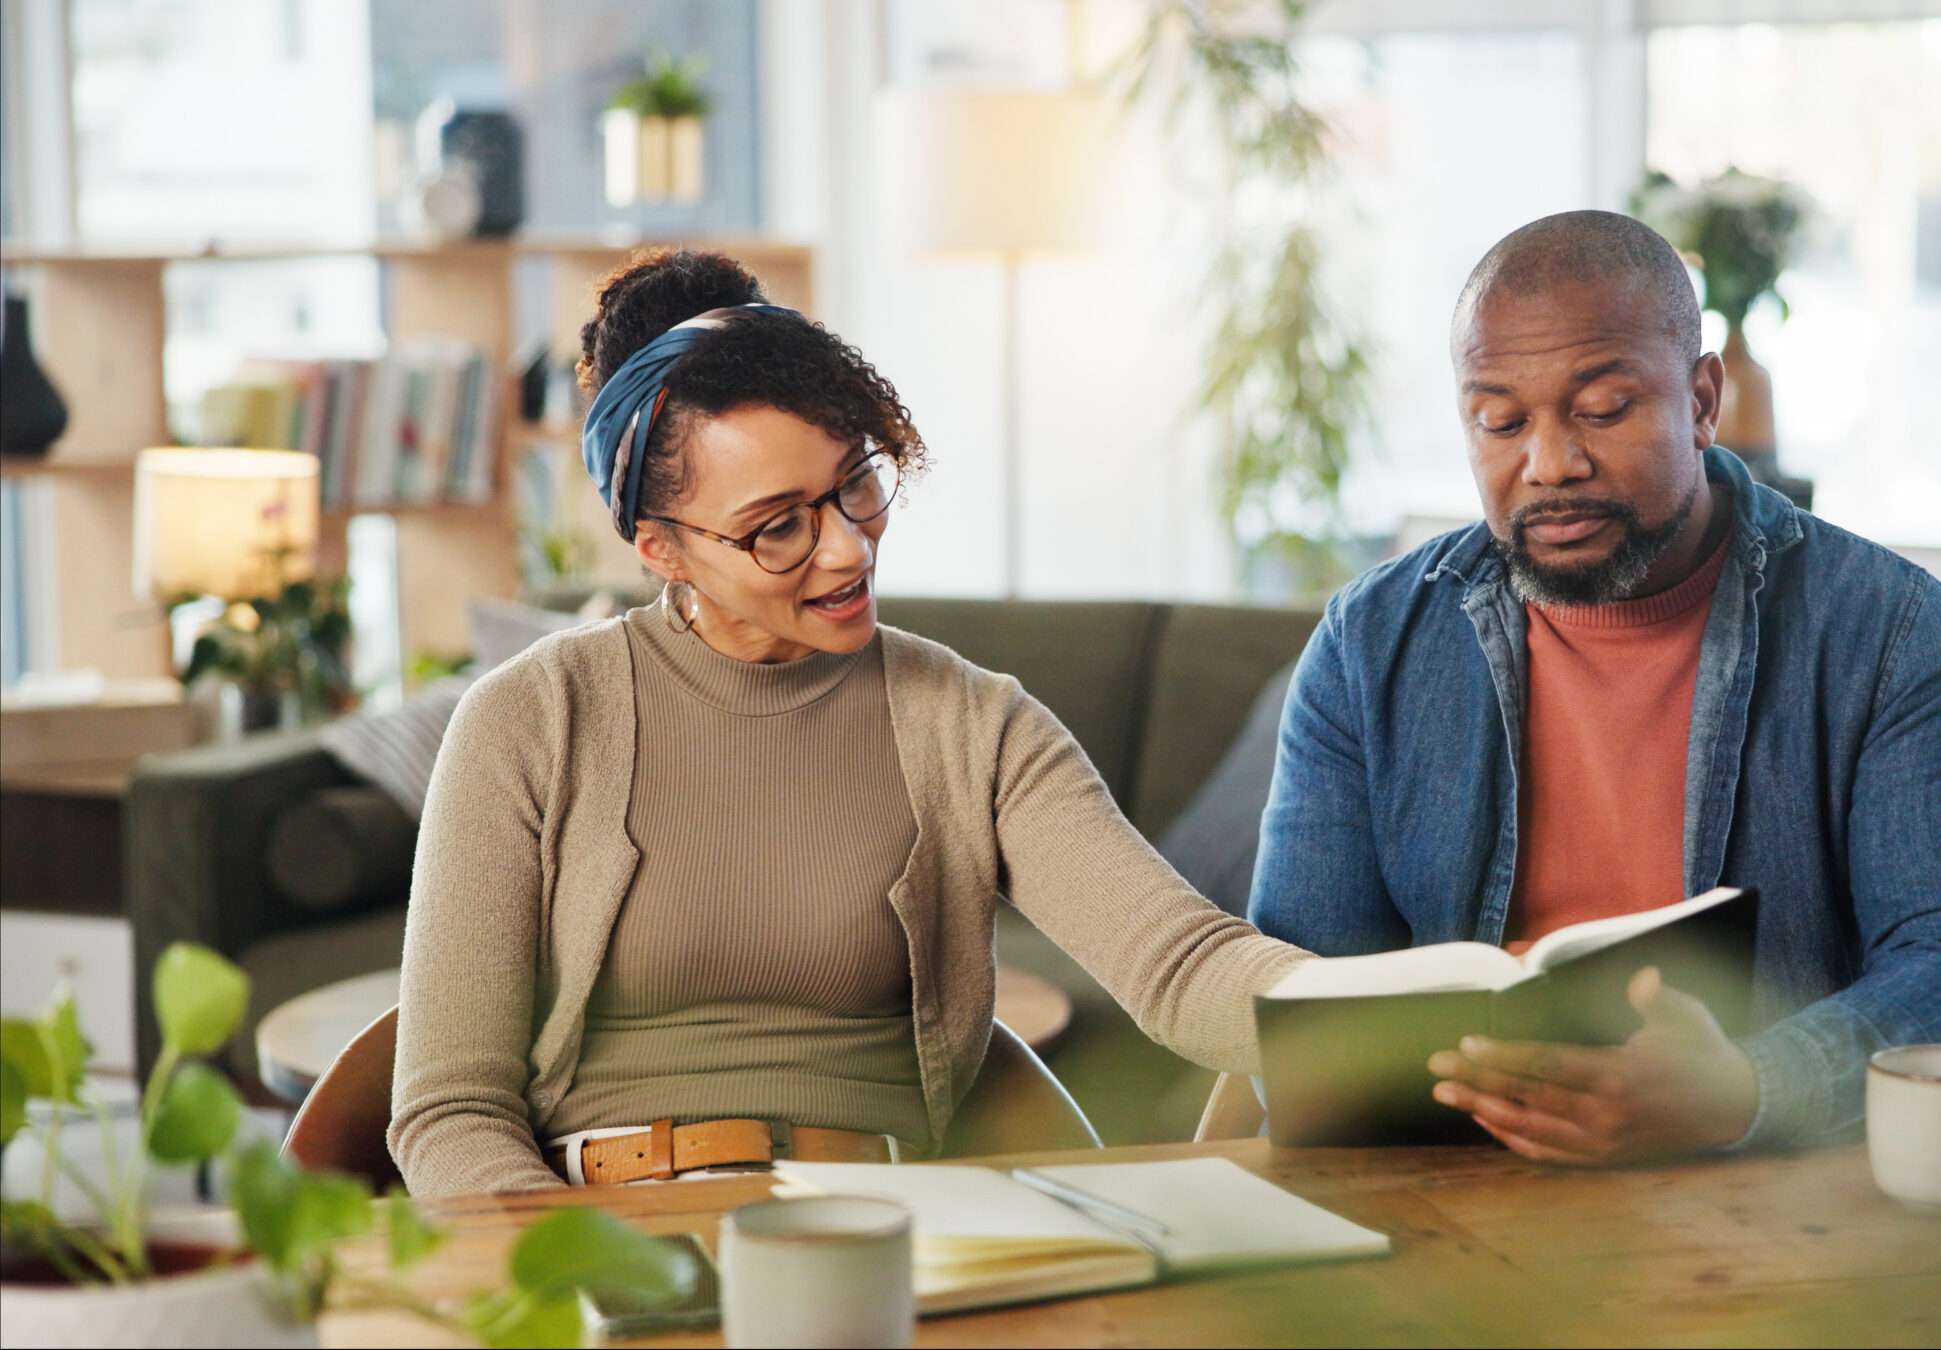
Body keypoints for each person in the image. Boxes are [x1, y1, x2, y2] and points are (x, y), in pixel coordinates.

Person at [390, 249, 1307, 1195]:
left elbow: (1182, 963)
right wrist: (569, 1282)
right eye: (777, 526)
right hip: (610, 1231)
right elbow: (452, 1110)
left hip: (896, 1228)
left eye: (855, 484)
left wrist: (1424, 1015)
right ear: (662, 549)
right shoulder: (530, 721)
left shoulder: (973, 724)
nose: (846, 549)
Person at [1246, 211, 1941, 1163]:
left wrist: (1746, 1089)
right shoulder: (1369, 644)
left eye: (1603, 409)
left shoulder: (1894, 633)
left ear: (1702, 400)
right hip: (1451, 1198)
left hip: (1771, 1205)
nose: (1548, 465)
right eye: (1500, 421)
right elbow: (1297, 986)